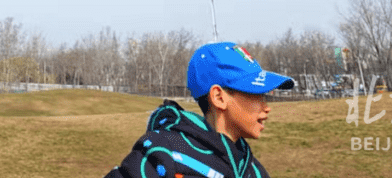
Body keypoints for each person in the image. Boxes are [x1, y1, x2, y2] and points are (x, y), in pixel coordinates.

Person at [103, 41, 294, 178]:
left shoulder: (255, 171)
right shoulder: (164, 153)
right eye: (255, 94)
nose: (266, 108)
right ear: (219, 97)